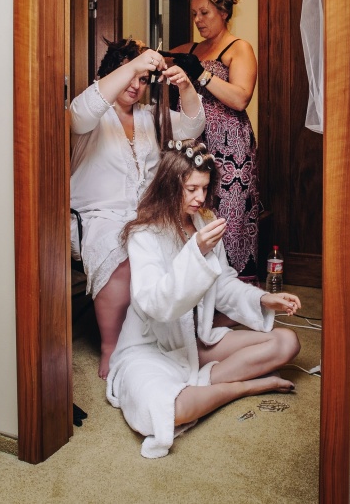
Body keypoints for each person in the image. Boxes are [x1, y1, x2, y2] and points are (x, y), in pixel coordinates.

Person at [107, 139, 301, 458]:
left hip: (195, 342)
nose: (201, 198)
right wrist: (195, 251)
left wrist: (264, 300)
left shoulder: (204, 222)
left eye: (205, 188)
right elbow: (155, 303)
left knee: (286, 342)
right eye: (192, 189)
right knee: (167, 412)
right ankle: (244, 387)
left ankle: (202, 385)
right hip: (151, 348)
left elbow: (221, 283)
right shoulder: (145, 235)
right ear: (170, 187)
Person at [70, 38, 204, 379]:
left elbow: (193, 126)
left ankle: (164, 335)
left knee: (183, 238)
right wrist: (136, 64)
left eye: (143, 80)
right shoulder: (91, 113)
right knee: (120, 251)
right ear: (108, 74)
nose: (136, 85)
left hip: (144, 214)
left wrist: (186, 86)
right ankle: (111, 345)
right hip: (96, 215)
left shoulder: (149, 116)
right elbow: (78, 115)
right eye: (129, 75)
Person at [168, 0, 262, 280]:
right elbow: (156, 59)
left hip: (231, 150)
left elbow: (240, 98)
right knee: (195, 215)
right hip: (196, 145)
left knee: (228, 223)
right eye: (194, 13)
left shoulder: (239, 48)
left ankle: (234, 292)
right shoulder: (192, 48)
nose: (197, 19)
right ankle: (197, 289)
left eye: (204, 12)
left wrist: (202, 75)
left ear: (223, 12)